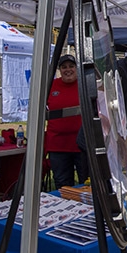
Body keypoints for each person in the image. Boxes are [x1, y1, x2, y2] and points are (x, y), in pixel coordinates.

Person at [45, 55, 87, 188]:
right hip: (58, 145)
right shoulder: (50, 86)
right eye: (64, 67)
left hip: (81, 145)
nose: (68, 70)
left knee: (86, 183)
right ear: (59, 70)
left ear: (77, 68)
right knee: (62, 185)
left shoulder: (85, 85)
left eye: (71, 66)